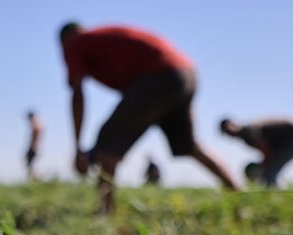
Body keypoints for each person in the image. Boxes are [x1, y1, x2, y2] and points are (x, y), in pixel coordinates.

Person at [59, 22, 238, 214]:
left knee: (107, 146)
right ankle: (237, 192)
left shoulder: (75, 42)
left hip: (158, 75)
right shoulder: (101, 37)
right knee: (189, 145)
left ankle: (104, 214)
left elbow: (77, 95)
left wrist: (77, 147)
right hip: (185, 74)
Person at [219, 118, 293, 188]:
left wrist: (262, 166)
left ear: (234, 124)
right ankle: (273, 192)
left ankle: (275, 196)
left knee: (270, 170)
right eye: (226, 132)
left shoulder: (248, 132)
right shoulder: (246, 135)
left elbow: (267, 150)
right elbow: (267, 151)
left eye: (228, 129)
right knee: (270, 168)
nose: (230, 133)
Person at [25, 110, 43, 180]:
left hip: (33, 147)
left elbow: (35, 138)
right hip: (34, 147)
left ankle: (35, 180)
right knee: (31, 165)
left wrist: (33, 147)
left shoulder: (36, 126)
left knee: (30, 165)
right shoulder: (37, 125)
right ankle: (34, 180)